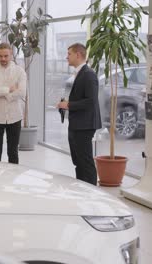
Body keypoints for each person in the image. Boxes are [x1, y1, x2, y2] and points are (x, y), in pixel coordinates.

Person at [57, 43, 102, 185]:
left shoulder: (89, 74)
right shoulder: (78, 73)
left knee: (85, 161)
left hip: (85, 125)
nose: (66, 57)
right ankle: (81, 189)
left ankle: (91, 193)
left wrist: (68, 105)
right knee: (78, 161)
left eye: (69, 54)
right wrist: (65, 103)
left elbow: (91, 101)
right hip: (77, 123)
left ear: (78, 55)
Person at [0, 43, 26, 164]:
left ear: (11, 55)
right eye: (0, 56)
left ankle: (12, 181)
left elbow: (22, 92)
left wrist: (0, 90)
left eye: (6, 56)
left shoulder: (20, 71)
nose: (3, 59)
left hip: (15, 116)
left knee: (13, 152)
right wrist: (9, 89)